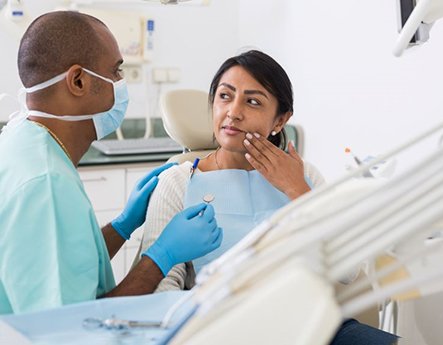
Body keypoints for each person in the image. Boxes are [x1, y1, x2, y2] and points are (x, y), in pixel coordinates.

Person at [138, 50, 398, 344]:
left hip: (312, 327)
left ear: (280, 120)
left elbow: (350, 272)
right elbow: (161, 289)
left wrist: (298, 192)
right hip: (217, 330)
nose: (233, 112)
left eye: (252, 101)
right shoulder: (179, 181)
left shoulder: (303, 174)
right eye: (225, 96)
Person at [0, 11, 222, 315]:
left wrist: (122, 226)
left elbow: (64, 264)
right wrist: (162, 257)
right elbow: (74, 325)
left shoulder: (25, 141)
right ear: (78, 81)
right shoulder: (45, 182)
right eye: (116, 72)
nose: (121, 83)